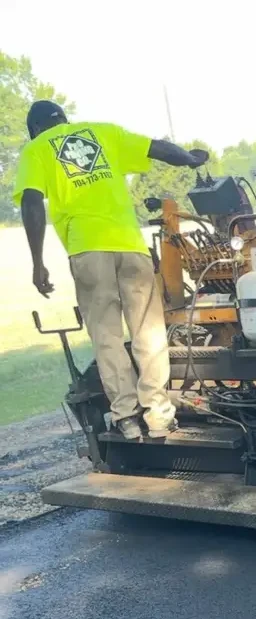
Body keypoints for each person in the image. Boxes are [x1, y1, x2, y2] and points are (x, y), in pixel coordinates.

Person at [14, 101, 209, 439]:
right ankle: (159, 415)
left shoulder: (37, 149)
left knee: (107, 336)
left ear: (35, 129)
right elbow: (158, 148)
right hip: (130, 246)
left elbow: (31, 201)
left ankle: (127, 417)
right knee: (149, 332)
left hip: (88, 249)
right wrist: (190, 159)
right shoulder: (103, 133)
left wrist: (37, 262)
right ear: (64, 119)